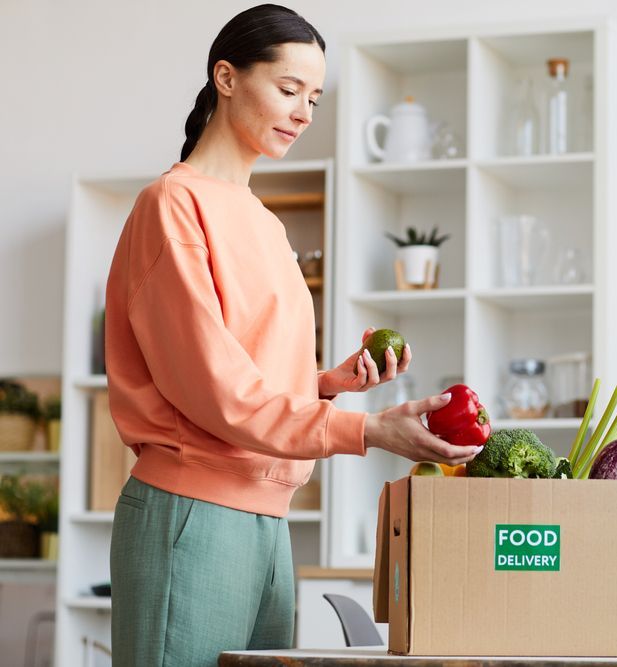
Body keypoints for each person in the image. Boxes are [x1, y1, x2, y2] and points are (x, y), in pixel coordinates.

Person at [104, 5, 482, 665]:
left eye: (314, 97)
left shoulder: (267, 224)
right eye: (287, 89)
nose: (304, 112)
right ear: (226, 77)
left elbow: (239, 369)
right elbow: (212, 388)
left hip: (270, 524)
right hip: (191, 512)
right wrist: (366, 429)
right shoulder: (172, 205)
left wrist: (325, 384)